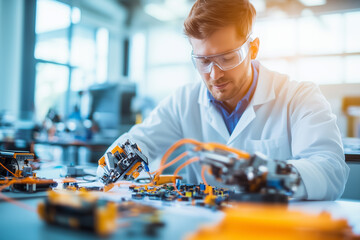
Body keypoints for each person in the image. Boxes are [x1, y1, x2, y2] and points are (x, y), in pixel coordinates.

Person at [98, 0, 349, 200]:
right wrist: (113, 161)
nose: (215, 74)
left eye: (227, 58)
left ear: (253, 49)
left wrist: (264, 177)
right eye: (204, 61)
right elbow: (140, 140)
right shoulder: (183, 101)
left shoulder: (299, 97)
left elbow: (330, 171)